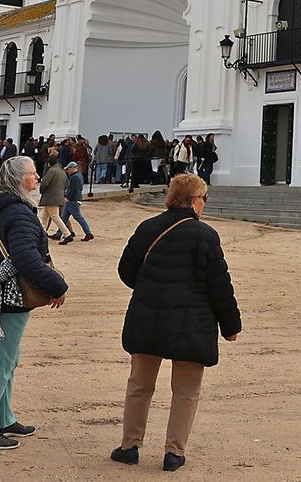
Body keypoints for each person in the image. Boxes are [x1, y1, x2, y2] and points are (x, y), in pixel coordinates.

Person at [111, 173, 241, 472]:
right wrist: (230, 326)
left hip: (148, 314)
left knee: (140, 384)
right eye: (204, 198)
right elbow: (219, 285)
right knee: (186, 389)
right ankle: (174, 452)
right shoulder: (205, 235)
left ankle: (130, 446)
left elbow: (126, 271)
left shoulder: (147, 227)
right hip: (191, 319)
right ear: (196, 201)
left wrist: (152, 287)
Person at [0, 155, 69, 451]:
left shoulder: (6, 209)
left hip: (1, 290)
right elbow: (26, 258)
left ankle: (3, 418)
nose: (37, 178)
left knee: (8, 361)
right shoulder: (19, 213)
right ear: (18, 179)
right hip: (10, 295)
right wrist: (57, 284)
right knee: (1, 362)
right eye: (33, 174)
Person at [60, 161, 93, 244]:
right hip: (74, 200)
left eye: (68, 169)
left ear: (72, 168)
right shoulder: (78, 175)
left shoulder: (74, 177)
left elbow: (73, 190)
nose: (68, 171)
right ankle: (59, 233)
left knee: (77, 217)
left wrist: (68, 198)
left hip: (72, 200)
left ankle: (88, 233)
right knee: (64, 217)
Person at [38, 158, 69, 241]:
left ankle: (67, 234)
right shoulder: (62, 171)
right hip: (58, 196)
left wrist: (42, 190)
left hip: (50, 197)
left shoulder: (51, 171)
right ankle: (42, 233)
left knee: (55, 217)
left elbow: (45, 183)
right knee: (44, 217)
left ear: (49, 164)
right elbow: (66, 183)